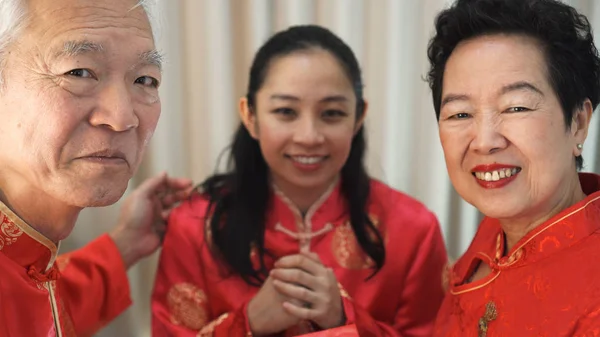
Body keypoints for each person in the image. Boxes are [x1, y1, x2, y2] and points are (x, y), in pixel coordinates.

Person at [152, 24, 448, 337]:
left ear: (358, 117)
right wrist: (249, 322)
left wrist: (344, 318)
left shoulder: (414, 229)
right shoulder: (194, 225)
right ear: (250, 115)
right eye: (285, 111)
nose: (309, 137)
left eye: (332, 113)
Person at [0, 0, 192, 336]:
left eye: (145, 80)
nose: (121, 118)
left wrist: (126, 244)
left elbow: (33, 302)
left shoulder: (29, 258)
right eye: (78, 72)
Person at [426, 0, 600, 335]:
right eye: (460, 114)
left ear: (578, 123)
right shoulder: (497, 229)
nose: (484, 141)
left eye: (516, 107)